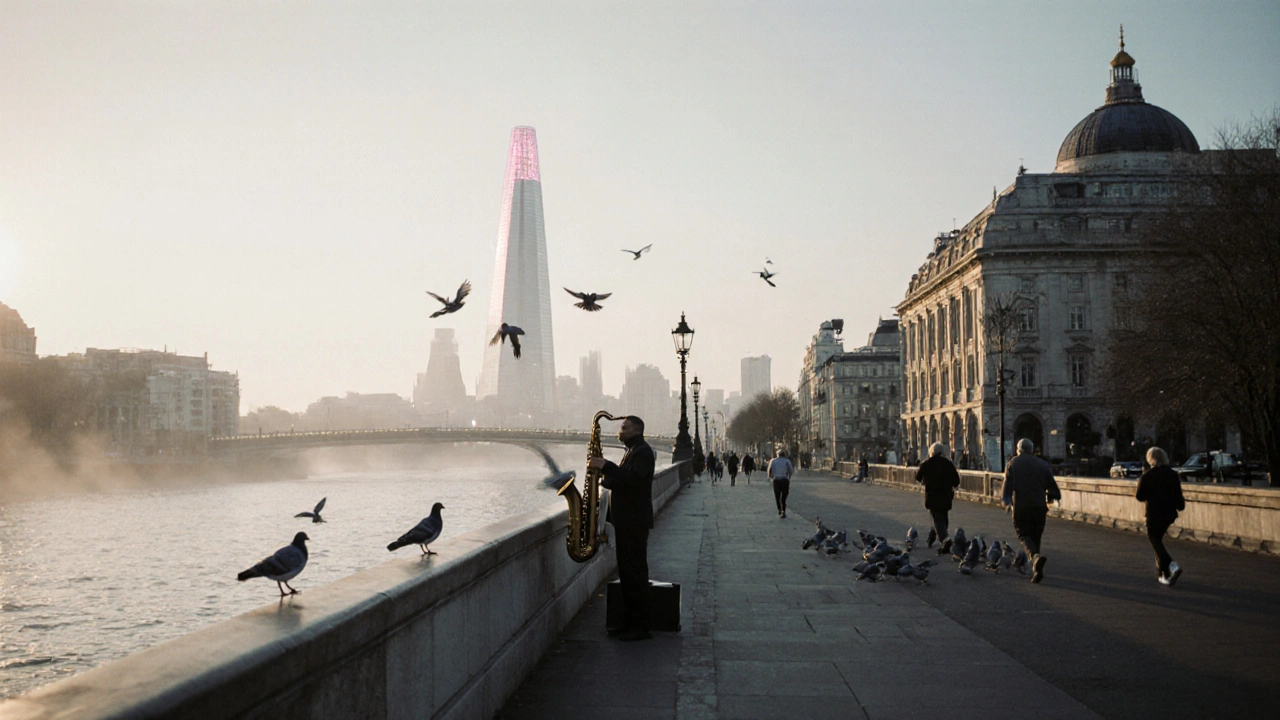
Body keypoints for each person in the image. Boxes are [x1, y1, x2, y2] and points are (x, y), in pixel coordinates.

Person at [589, 415, 655, 641]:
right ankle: (629, 623)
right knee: (627, 574)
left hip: (634, 522)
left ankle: (640, 627)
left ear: (636, 430)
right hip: (627, 521)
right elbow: (624, 480)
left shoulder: (643, 451)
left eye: (624, 428)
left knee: (635, 574)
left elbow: (635, 480)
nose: (620, 431)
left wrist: (606, 466)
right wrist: (603, 476)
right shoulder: (632, 451)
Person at [1001, 438, 1061, 584]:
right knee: (1036, 536)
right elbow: (1052, 486)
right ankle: (1036, 569)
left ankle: (1034, 558)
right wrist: (1053, 496)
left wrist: (1007, 501)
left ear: (1018, 449)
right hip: (1040, 506)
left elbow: (1007, 486)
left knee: (1023, 534)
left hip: (1022, 506)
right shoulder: (1043, 464)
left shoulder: (1013, 463)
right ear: (1032, 449)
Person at [1135, 446, 1186, 586]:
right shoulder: (1172, 475)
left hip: (1154, 513)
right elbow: (1179, 497)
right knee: (1158, 540)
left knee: (1154, 539)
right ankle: (1164, 574)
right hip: (1169, 514)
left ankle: (1172, 566)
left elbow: (1139, 496)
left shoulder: (1147, 476)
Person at [915, 442, 961, 554]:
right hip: (946, 496)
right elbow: (956, 480)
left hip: (932, 495)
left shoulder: (926, 464)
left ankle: (944, 539)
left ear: (931, 452)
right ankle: (941, 535)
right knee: (943, 516)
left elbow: (917, 477)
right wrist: (951, 486)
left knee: (937, 518)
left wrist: (925, 480)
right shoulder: (948, 463)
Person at [767, 448, 794, 518]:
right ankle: (783, 510)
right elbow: (791, 470)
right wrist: (789, 477)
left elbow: (770, 471)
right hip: (784, 480)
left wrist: (771, 477)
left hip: (776, 480)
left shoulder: (773, 461)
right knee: (784, 496)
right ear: (784, 455)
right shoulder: (787, 461)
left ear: (777, 455)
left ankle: (780, 510)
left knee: (777, 496)